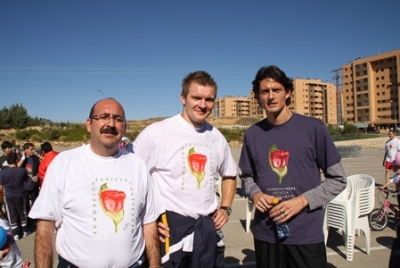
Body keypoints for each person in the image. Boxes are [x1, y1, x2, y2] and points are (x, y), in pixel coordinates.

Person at [29, 98, 163, 268]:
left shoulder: (138, 166)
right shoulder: (65, 163)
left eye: (118, 118)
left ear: (125, 126)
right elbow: (45, 225)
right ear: (89, 124)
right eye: (103, 117)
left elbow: (149, 221)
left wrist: (155, 265)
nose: (111, 123)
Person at [239, 65, 346, 268]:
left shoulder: (314, 128)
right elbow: (246, 176)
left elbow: (338, 179)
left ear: (287, 92)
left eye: (276, 90)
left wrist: (302, 201)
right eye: (265, 91)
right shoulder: (252, 134)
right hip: (266, 234)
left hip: (305, 235)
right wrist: (255, 193)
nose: (271, 96)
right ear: (257, 97)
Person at [133, 70, 237, 268]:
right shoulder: (157, 133)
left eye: (209, 99)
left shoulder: (216, 137)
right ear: (183, 98)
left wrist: (225, 207)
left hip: (207, 229)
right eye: (196, 98)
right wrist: (146, 221)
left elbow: (230, 174)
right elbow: (134, 178)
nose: (202, 104)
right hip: (171, 229)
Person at [0, 152, 29, 240]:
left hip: (8, 194)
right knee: (22, 212)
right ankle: (25, 231)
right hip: (19, 193)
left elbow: (1, 186)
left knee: (11, 213)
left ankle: (15, 233)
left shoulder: (3, 172)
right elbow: (26, 180)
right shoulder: (22, 170)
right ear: (16, 160)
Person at [18, 142, 40, 218]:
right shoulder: (21, 158)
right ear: (26, 150)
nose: (33, 151)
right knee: (25, 204)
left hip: (33, 184)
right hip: (24, 185)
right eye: (31, 149)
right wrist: (23, 158)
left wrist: (37, 176)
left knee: (35, 202)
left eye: (33, 149)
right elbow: (17, 167)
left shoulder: (35, 158)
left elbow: (39, 169)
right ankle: (27, 219)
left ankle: (34, 218)